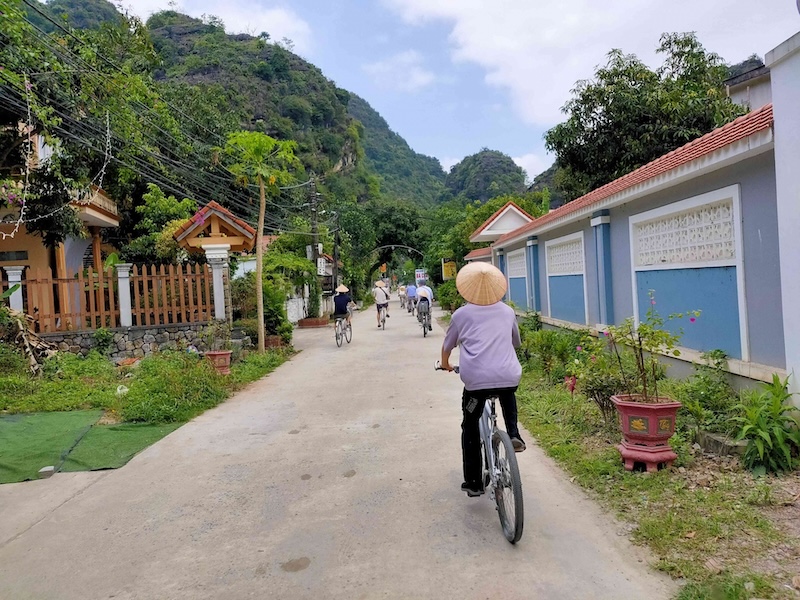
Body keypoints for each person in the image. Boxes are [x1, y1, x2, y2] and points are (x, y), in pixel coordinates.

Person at [440, 262, 526, 498]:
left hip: (476, 383)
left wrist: (446, 364)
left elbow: (446, 348)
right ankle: (514, 434)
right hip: (508, 375)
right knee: (508, 392)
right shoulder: (507, 312)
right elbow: (516, 342)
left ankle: (475, 482)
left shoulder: (461, 315)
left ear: (466, 289)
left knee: (469, 425)